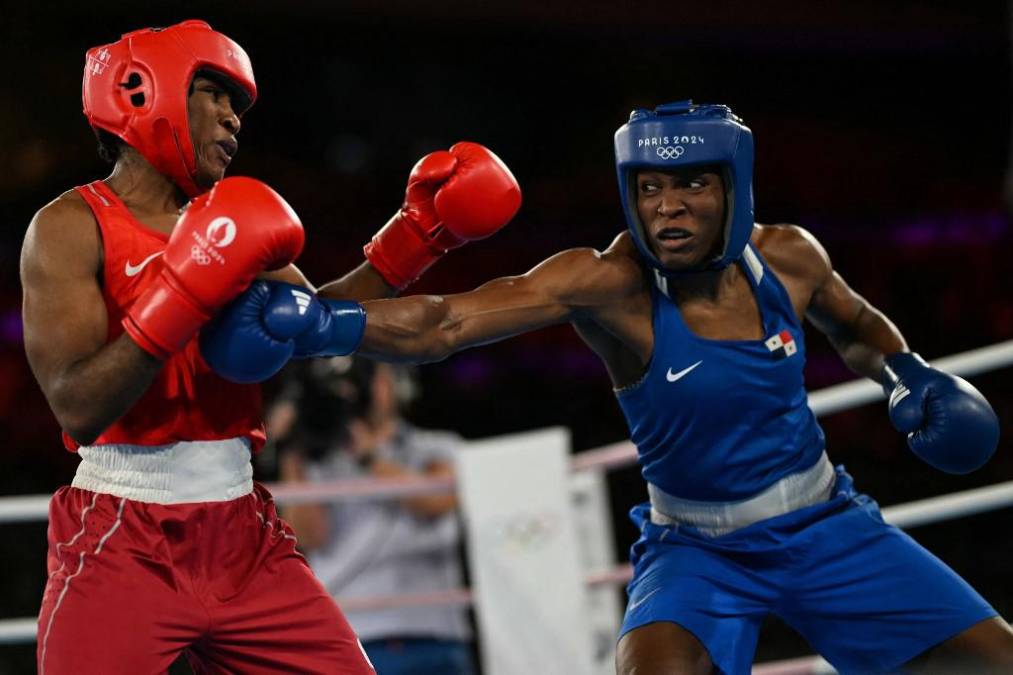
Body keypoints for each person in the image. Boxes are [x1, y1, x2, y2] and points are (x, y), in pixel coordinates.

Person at [206, 100, 1012, 674]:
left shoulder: (789, 258)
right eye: (650, 188)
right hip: (695, 549)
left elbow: (858, 325)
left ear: (732, 188)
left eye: (690, 185)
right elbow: (447, 323)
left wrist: (905, 375)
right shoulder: (608, 284)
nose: (666, 207)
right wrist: (319, 322)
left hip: (825, 524)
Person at [19, 19, 519, 673]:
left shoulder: (228, 218)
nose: (233, 120)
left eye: (239, 106)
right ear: (144, 91)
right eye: (216, 95)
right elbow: (76, 405)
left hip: (242, 530)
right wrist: (182, 294)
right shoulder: (70, 224)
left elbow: (310, 320)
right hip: (122, 529)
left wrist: (418, 234)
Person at [271, 357, 476, 674]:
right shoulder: (319, 464)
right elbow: (309, 537)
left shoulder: (437, 447)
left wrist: (368, 457)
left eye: (370, 375)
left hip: (436, 630)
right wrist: (292, 451)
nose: (358, 387)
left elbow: (437, 500)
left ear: (400, 383)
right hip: (353, 635)